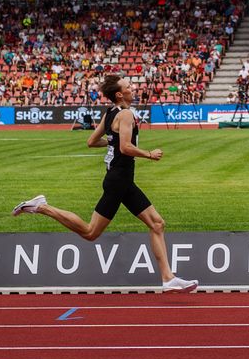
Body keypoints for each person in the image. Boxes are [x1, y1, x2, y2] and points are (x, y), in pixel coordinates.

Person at [10, 73, 198, 292]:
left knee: (157, 224)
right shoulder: (126, 114)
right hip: (118, 181)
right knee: (90, 232)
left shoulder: (110, 113)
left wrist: (111, 140)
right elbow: (125, 148)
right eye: (129, 86)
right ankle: (41, 206)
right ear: (120, 94)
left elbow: (91, 141)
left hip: (123, 180)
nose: (133, 88)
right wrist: (149, 154)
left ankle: (168, 277)